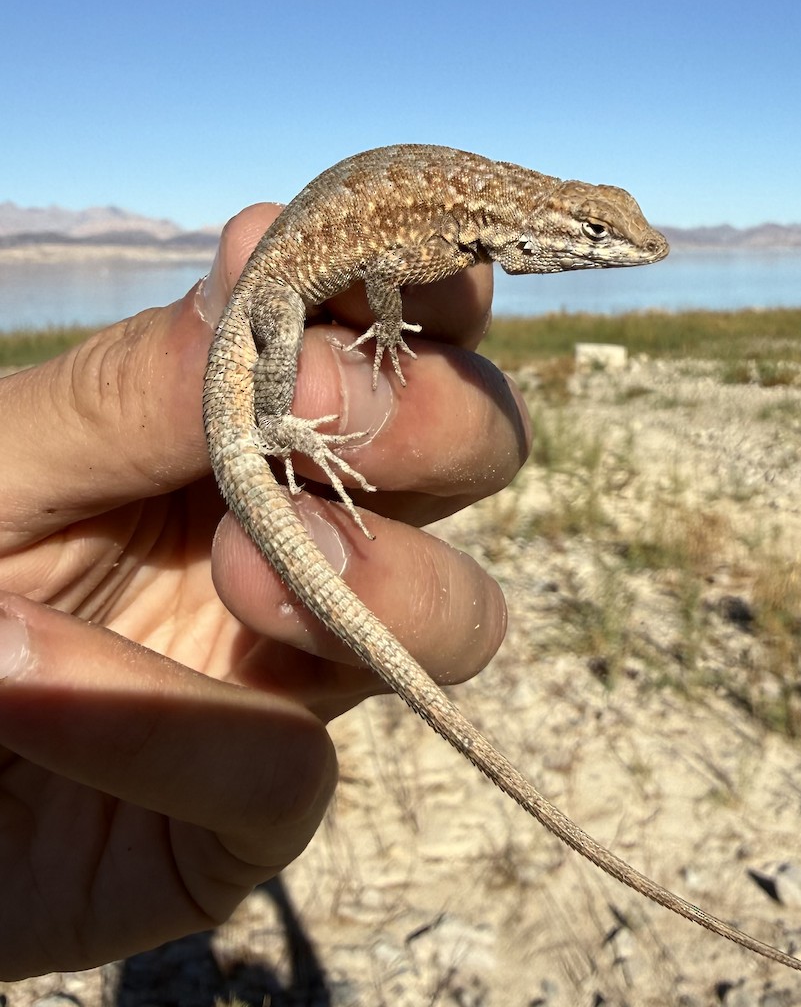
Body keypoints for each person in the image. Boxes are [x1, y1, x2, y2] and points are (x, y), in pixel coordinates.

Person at [0, 200, 528, 980]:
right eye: (592, 238)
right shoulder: (448, 229)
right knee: (288, 350)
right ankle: (280, 430)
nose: (612, 252)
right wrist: (380, 332)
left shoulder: (459, 228)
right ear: (537, 227)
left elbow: (383, 264)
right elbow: (383, 268)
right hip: (272, 297)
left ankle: (280, 431)